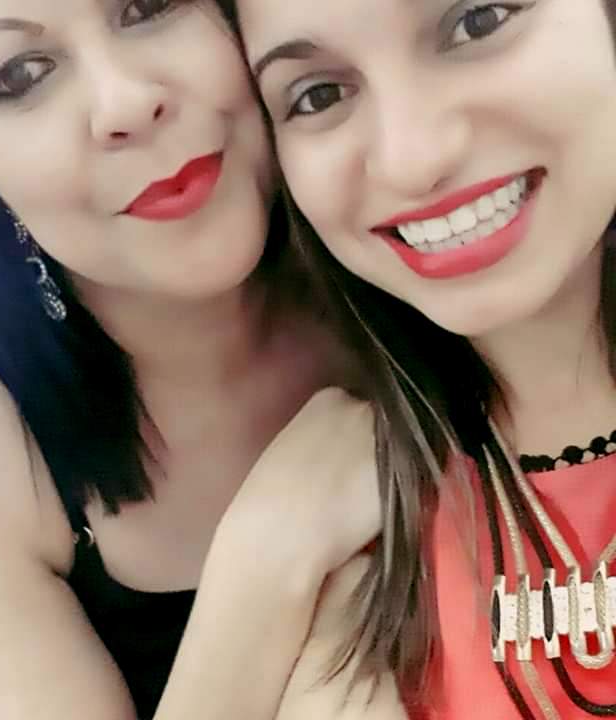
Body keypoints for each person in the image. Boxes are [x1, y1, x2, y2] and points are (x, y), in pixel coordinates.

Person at [0, 2, 392, 719]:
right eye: (21, 76)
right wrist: (264, 566)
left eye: (147, 5)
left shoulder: (417, 212)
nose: (127, 103)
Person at [230, 0, 616, 717]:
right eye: (319, 94)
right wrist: (257, 569)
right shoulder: (352, 547)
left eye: (478, 21)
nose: (413, 158)